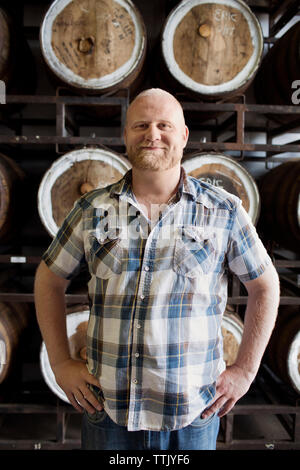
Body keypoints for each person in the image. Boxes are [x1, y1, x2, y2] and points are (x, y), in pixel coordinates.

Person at [34, 88, 280, 451]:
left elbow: (266, 287)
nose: (152, 134)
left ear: (183, 135)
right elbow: (48, 280)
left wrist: (245, 371)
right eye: (141, 125)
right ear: (125, 135)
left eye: (164, 125)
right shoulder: (92, 209)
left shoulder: (223, 211)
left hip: (193, 412)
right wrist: (59, 362)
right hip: (109, 410)